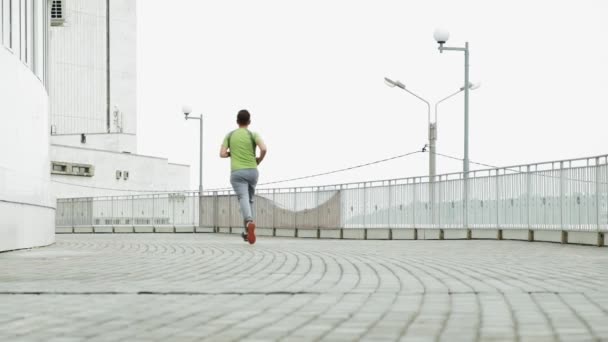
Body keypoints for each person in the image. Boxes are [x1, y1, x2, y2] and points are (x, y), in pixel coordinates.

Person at [220, 109, 267, 244]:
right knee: (249, 200)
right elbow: (264, 148)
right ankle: (248, 232)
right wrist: (259, 160)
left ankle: (249, 222)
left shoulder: (230, 135)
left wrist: (231, 153)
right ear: (249, 121)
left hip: (237, 173)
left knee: (243, 198)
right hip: (253, 171)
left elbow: (222, 154)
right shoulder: (253, 134)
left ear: (237, 121)